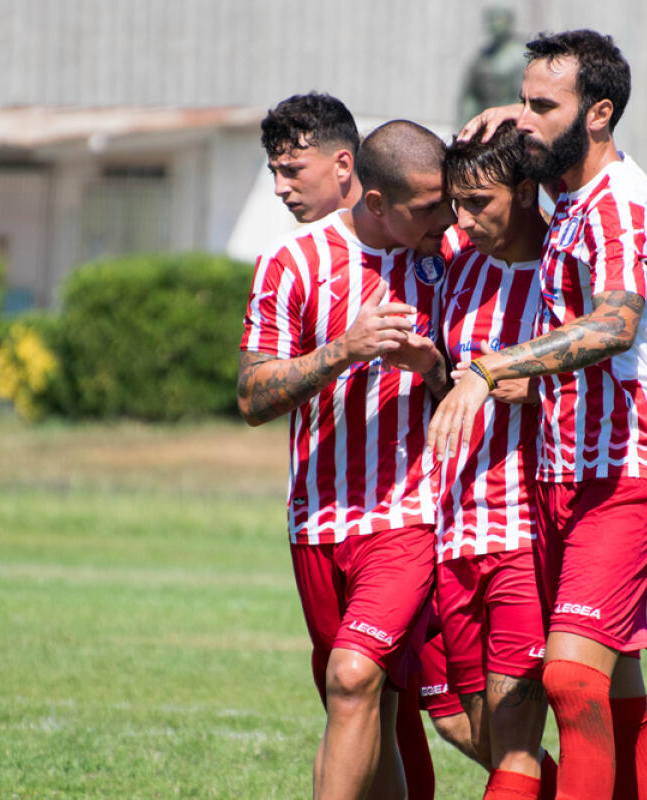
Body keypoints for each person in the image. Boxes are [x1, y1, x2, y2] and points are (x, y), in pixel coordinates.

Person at [438, 29, 647, 800]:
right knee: (614, 695)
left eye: (543, 105)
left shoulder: (617, 209)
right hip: (562, 477)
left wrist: (491, 369)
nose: (526, 117)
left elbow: (614, 323)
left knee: (571, 681)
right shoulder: (571, 190)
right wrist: (502, 115)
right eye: (524, 99)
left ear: (600, 114)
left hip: (625, 474)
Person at [258, 94, 479, 799]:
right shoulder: (293, 263)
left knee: (355, 679)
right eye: (429, 208)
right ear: (377, 202)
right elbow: (253, 396)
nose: (447, 220)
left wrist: (435, 369)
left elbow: (468, 382)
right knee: (368, 709)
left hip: (409, 521)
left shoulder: (451, 259)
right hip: (318, 524)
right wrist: (342, 351)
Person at [437, 120, 558, 800]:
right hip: (451, 528)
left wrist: (541, 387)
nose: (463, 218)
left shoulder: (565, 267)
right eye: (457, 202)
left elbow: (619, 366)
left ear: (525, 191)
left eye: (478, 201)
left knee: (513, 732)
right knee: (474, 729)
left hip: (524, 532)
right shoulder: (458, 259)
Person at [261, 92, 361, 223]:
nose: (279, 189)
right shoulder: (294, 243)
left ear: (343, 165)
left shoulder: (394, 237)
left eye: (293, 170)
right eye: (274, 172)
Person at [459, 6, 528, 127]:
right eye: (491, 20)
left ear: (508, 22)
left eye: (498, 20)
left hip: (509, 123)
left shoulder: (520, 54)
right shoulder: (483, 55)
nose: (494, 24)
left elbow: (523, 95)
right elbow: (471, 96)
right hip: (483, 119)